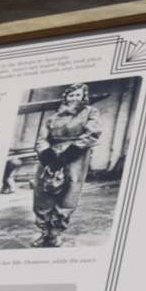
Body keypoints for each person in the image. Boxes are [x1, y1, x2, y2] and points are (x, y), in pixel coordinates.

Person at [31, 83, 104, 247]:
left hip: (75, 155)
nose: (74, 98)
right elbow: (42, 138)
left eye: (78, 95)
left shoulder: (91, 112)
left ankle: (55, 233)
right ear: (65, 97)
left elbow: (92, 134)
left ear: (84, 97)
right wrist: (47, 154)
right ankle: (43, 232)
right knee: (43, 192)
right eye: (71, 95)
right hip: (51, 156)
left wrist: (66, 156)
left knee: (69, 193)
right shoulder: (53, 117)